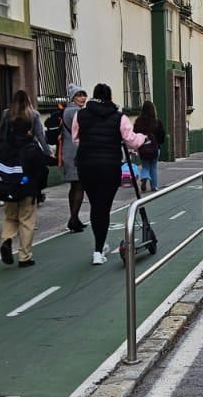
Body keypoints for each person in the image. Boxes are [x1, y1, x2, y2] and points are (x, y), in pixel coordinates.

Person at [73, 83, 147, 265]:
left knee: (95, 205)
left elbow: (76, 139)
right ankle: (98, 251)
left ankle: (100, 245)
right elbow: (131, 141)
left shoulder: (80, 115)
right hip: (109, 166)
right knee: (104, 207)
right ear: (110, 97)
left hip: (86, 165)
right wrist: (143, 137)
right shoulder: (119, 117)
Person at [0, 90, 49, 269]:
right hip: (27, 178)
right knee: (27, 218)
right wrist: (48, 155)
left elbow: (0, 137)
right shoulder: (33, 116)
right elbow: (41, 137)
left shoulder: (6, 114)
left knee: (10, 215)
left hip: (9, 175)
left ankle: (7, 239)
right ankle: (25, 257)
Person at [61, 84, 89, 232]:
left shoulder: (66, 110)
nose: (83, 98)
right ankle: (73, 220)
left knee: (74, 186)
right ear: (73, 97)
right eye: (79, 95)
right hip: (77, 153)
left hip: (67, 152)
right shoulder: (77, 112)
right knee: (79, 186)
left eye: (84, 95)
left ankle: (75, 218)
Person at [133, 101, 164, 192]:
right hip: (155, 148)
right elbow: (161, 135)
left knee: (145, 165)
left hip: (143, 148)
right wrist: (158, 142)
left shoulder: (138, 122)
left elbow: (135, 134)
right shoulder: (157, 122)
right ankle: (154, 186)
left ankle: (145, 177)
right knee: (153, 166)